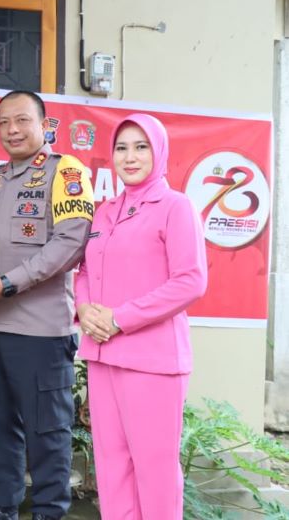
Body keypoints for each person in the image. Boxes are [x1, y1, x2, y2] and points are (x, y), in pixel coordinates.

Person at [0, 90, 95, 520]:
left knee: (47, 436)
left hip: (41, 334)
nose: (12, 130)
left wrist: (7, 284)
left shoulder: (65, 172)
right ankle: (2, 511)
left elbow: (70, 244)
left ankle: (48, 514)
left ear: (43, 124)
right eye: (3, 122)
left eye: (21, 120)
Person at [75, 113, 207, 519]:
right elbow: (84, 271)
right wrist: (84, 308)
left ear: (159, 151)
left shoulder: (176, 206)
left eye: (140, 147)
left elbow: (190, 281)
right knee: (112, 469)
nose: (129, 157)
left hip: (152, 361)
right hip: (102, 356)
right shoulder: (105, 211)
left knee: (155, 473)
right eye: (121, 148)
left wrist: (120, 318)